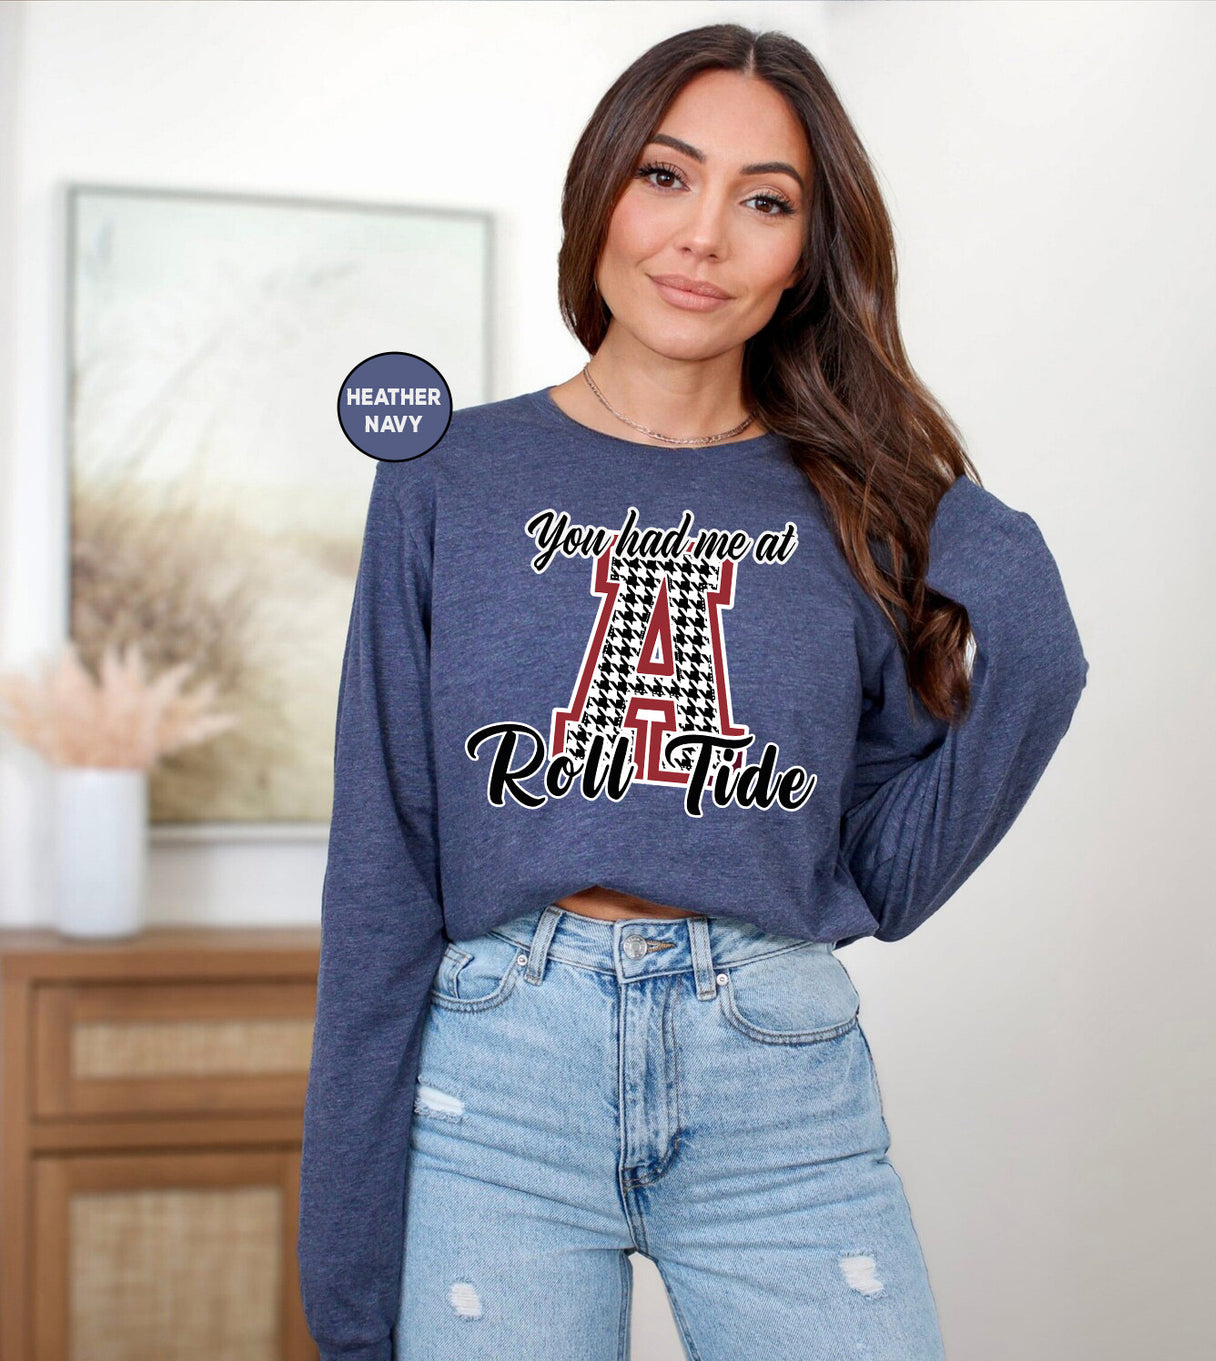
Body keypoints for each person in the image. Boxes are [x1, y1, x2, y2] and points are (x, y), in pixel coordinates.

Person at [298, 22, 1089, 1361]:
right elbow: (381, 876)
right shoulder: (445, 477)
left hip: (775, 1071)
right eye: (666, 175)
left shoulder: (857, 507)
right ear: (601, 189)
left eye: (763, 199)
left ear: (804, 255)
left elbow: (882, 877)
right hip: (500, 1075)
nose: (702, 234)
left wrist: (1037, 653)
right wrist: (350, 1286)